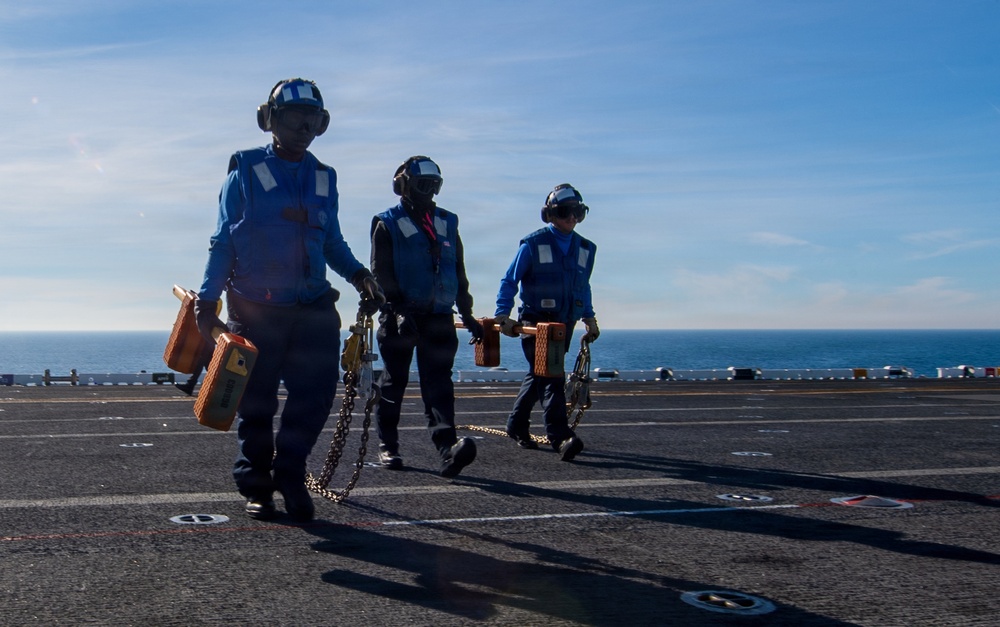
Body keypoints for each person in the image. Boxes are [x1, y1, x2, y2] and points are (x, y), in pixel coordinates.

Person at [194, 78, 384, 522]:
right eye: (294, 116)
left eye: (312, 118)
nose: (303, 125)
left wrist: (359, 275)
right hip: (256, 311)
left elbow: (332, 241)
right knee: (256, 404)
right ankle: (257, 484)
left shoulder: (324, 177)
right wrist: (207, 301)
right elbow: (223, 240)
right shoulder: (243, 171)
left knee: (315, 398)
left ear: (322, 124)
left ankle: (291, 472)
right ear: (270, 120)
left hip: (313, 309)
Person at [369, 155, 484, 477]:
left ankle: (448, 450)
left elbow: (457, 269)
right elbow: (381, 271)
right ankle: (388, 446)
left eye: (434, 186)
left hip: (438, 317)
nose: (429, 192)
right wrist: (397, 308)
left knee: (440, 387)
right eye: (423, 185)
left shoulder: (448, 221)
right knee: (394, 383)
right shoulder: (387, 222)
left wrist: (467, 312)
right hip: (399, 317)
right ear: (404, 185)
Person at [494, 183, 600, 461]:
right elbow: (510, 280)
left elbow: (583, 286)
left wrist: (589, 316)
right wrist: (503, 314)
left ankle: (516, 425)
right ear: (550, 214)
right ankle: (560, 436)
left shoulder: (585, 249)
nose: (572, 217)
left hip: (565, 324)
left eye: (578, 212)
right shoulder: (533, 244)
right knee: (552, 377)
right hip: (536, 324)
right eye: (566, 211)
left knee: (539, 375)